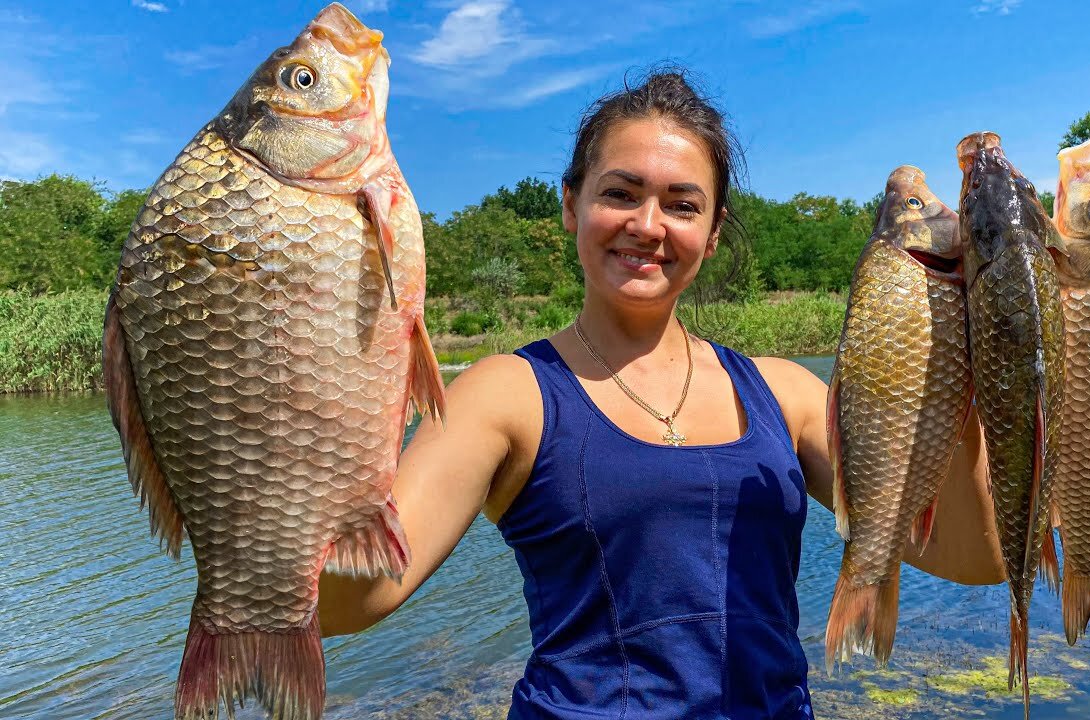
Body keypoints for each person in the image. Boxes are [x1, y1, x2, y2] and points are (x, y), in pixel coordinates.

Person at [318, 69, 1005, 719]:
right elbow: (353, 599)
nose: (648, 225)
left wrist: (959, 380)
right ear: (570, 204)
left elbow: (973, 560)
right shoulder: (505, 394)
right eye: (620, 193)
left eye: (682, 204)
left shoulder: (786, 395)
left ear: (710, 234)